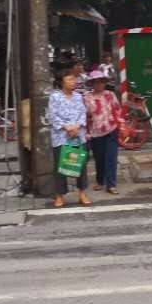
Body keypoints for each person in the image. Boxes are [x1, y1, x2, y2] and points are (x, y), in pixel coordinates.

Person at [48, 70, 91, 208]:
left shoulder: (78, 96)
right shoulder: (55, 97)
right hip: (61, 136)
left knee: (80, 165)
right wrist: (66, 127)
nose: (73, 82)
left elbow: (82, 113)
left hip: (78, 135)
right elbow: (53, 116)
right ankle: (59, 196)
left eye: (74, 79)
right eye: (70, 80)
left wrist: (77, 126)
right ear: (62, 82)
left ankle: (82, 193)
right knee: (60, 167)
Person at [84, 69, 122, 195]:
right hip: (95, 132)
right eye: (96, 82)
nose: (99, 84)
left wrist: (120, 124)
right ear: (92, 83)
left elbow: (117, 110)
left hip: (111, 130)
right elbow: (85, 116)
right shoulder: (87, 98)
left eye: (101, 81)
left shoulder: (110, 95)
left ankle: (111, 184)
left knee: (111, 157)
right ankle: (100, 181)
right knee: (99, 158)